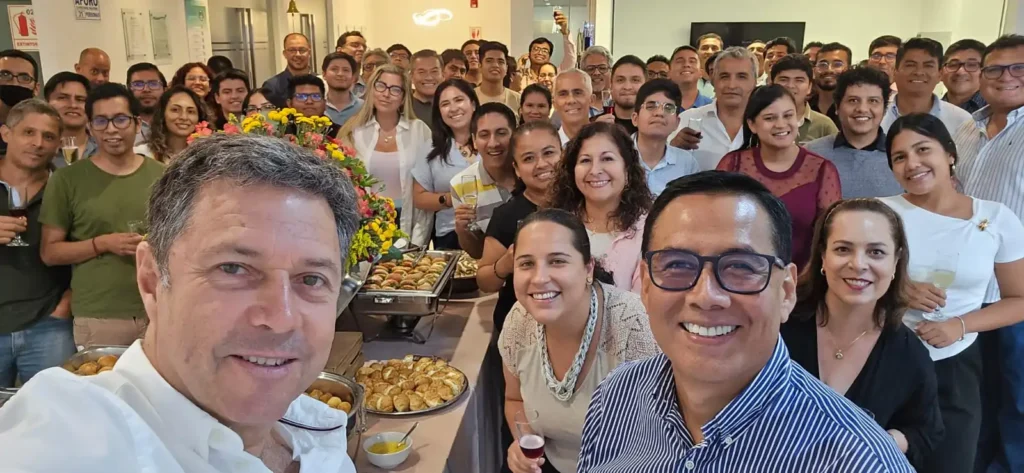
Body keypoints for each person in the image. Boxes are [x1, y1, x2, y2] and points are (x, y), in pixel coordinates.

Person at [0, 133, 359, 472]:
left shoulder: (311, 425)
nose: (281, 318)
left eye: (311, 279)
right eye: (233, 269)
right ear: (151, 280)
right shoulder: (72, 440)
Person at [577, 171, 914, 472]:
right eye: (678, 264)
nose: (705, 295)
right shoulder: (617, 396)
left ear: (785, 292)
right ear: (646, 286)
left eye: (741, 267)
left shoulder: (858, 460)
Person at [882, 113, 1024, 473]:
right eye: (899, 157)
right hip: (885, 356)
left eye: (922, 149)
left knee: (953, 460)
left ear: (949, 154)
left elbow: (1018, 300)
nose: (912, 164)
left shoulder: (996, 218)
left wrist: (960, 325)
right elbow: (839, 284)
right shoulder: (880, 213)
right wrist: (895, 291)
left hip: (957, 363)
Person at [781, 197, 942, 470]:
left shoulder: (909, 355)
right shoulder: (777, 325)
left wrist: (882, 441)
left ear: (896, 262)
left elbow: (926, 432)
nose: (858, 264)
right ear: (823, 255)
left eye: (876, 252)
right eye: (843, 249)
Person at [500, 209, 659, 473]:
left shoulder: (633, 326)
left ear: (588, 268)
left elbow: (662, 435)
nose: (539, 278)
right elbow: (515, 400)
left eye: (557, 261)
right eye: (526, 264)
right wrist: (522, 446)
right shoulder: (519, 321)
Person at [39, 83, 165, 347]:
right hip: (100, 314)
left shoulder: (162, 175)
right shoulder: (67, 179)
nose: (111, 130)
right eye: (100, 121)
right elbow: (50, 253)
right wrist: (103, 244)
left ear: (136, 123)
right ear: (90, 127)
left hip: (159, 307)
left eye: (120, 119)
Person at [954, 34, 1024, 472]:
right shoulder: (966, 128)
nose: (1006, 77)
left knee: (1019, 397)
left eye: (1018, 68)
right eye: (995, 69)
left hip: (1017, 291)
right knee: (974, 394)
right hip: (968, 289)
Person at [716, 84, 841, 270]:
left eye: (788, 115)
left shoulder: (821, 170)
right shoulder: (732, 165)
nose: (781, 124)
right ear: (752, 124)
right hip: (739, 276)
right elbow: (715, 225)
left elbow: (832, 235)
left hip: (803, 281)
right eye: (769, 118)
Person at [0, 100, 73, 387]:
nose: (38, 143)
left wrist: (66, 305)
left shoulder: (66, 186)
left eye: (49, 136)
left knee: (54, 418)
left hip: (49, 326)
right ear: (6, 133)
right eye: (28, 132)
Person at [550, 122, 652, 292]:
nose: (595, 170)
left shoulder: (649, 229)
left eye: (607, 159)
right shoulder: (555, 224)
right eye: (585, 160)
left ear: (627, 170)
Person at [339, 64, 432, 247]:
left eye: (395, 89)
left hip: (407, 221)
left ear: (404, 96)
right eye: (380, 86)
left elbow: (427, 188)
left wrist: (418, 240)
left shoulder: (419, 130)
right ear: (371, 88)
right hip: (365, 225)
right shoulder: (353, 131)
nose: (386, 94)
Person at [806, 67, 902, 199]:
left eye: (873, 101)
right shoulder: (811, 154)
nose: (862, 109)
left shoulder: (902, 156)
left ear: (884, 109)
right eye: (853, 100)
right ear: (837, 107)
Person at [412, 79, 480, 250]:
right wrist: (450, 199)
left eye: (459, 100)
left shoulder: (492, 140)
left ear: (472, 104)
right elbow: (419, 197)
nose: (453, 108)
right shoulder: (431, 147)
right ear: (439, 112)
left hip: (494, 229)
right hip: (450, 233)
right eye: (445, 104)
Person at [672, 47, 757, 170]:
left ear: (754, 82)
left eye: (741, 76)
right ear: (713, 80)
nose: (731, 85)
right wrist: (673, 149)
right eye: (724, 76)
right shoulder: (686, 119)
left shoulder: (766, 124)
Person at [450, 103, 517, 258]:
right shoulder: (461, 185)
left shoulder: (530, 173)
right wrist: (463, 231)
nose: (493, 143)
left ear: (515, 135)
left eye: (501, 133)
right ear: (474, 140)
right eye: (484, 135)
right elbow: (477, 253)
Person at [882, 37, 973, 135]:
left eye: (928, 66)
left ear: (940, 74)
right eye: (910, 65)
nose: (919, 72)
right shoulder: (876, 115)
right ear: (895, 72)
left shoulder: (962, 120)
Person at [632, 79, 699, 196]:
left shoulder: (687, 164)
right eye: (651, 106)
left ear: (677, 123)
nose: (660, 113)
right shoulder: (615, 156)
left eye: (669, 108)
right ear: (635, 118)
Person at [770, 54, 838, 144]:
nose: (790, 86)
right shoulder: (760, 119)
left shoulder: (824, 125)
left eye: (799, 80)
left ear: (809, 87)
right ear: (771, 84)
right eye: (783, 79)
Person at [135, 86, 207, 163]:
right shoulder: (141, 154)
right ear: (162, 114)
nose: (184, 117)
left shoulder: (208, 156)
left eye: (190, 112)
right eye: (175, 110)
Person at [43, 72, 95, 166]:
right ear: (47, 103)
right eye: (63, 98)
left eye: (80, 99)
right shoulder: (38, 152)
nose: (73, 105)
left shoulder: (105, 149)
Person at [0, 50, 40, 155]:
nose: (14, 83)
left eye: (24, 78)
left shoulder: (45, 128)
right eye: (4, 74)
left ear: (36, 88)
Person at [809, 42, 852, 128]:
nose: (829, 70)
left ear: (849, 69)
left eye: (837, 64)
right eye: (823, 65)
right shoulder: (804, 107)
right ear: (814, 70)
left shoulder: (854, 109)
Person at [261, 33, 313, 104]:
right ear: (285, 54)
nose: (298, 54)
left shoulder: (321, 81)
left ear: (309, 53)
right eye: (292, 50)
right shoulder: (272, 86)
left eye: (302, 50)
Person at [941, 39, 988, 114]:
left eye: (971, 65)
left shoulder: (996, 111)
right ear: (941, 72)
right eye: (953, 65)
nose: (960, 71)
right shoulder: (929, 110)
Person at [476, 42, 522, 117]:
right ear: (480, 66)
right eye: (489, 61)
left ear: (506, 68)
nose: (495, 65)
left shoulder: (518, 100)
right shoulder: (470, 98)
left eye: (500, 62)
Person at [126, 62, 167, 144]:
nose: (146, 89)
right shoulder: (121, 126)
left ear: (164, 89)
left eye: (154, 84)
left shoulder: (175, 123)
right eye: (138, 84)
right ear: (128, 89)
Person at [321, 51, 363, 128]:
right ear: (324, 74)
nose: (340, 74)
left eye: (346, 70)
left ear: (353, 77)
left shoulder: (364, 108)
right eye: (334, 69)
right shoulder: (317, 106)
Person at [607, 55, 645, 135]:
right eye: (620, 80)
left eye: (635, 80)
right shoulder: (596, 124)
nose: (627, 87)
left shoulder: (655, 124)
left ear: (646, 85)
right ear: (611, 85)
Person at [553, 69, 592, 145]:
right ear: (554, 104)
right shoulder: (547, 147)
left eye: (578, 93)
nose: (571, 100)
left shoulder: (608, 143)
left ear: (591, 99)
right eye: (563, 94)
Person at [669, 46, 713, 112]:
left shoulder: (713, 107)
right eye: (680, 61)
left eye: (692, 61)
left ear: (701, 73)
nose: (686, 64)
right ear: (669, 72)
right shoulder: (660, 106)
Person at [410, 49, 444, 132]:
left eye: (434, 71)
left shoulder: (451, 106)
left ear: (443, 74)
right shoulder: (403, 108)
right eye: (422, 72)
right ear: (411, 76)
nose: (429, 77)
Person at [581, 46, 613, 116]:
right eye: (590, 69)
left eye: (602, 68)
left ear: (611, 72)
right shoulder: (574, 105)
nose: (596, 73)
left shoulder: (620, 103)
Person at [337, 31, 368, 96]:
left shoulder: (368, 88)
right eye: (355, 45)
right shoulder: (323, 84)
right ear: (340, 50)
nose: (361, 49)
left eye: (364, 47)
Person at [696, 32, 724, 98]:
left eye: (714, 48)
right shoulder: (688, 78)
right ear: (697, 52)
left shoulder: (728, 79)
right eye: (704, 48)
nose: (709, 52)